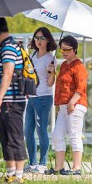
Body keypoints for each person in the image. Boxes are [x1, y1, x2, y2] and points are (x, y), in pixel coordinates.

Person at [0, 17, 28, 184]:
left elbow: (9, 74)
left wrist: (0, 97)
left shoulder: (8, 47)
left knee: (15, 136)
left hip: (11, 100)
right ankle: (11, 174)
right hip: (9, 99)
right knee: (6, 137)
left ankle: (19, 175)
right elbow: (6, 73)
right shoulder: (9, 46)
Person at [48, 35, 87, 176]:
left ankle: (77, 167)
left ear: (75, 49)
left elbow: (81, 88)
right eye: (62, 50)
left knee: (74, 135)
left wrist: (72, 102)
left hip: (75, 104)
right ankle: (59, 167)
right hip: (63, 106)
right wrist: (52, 72)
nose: (64, 52)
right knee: (57, 134)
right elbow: (55, 85)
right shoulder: (64, 65)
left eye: (67, 50)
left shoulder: (79, 66)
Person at [24, 27, 57, 174]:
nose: (38, 41)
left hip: (43, 97)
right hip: (31, 97)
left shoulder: (51, 59)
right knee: (28, 130)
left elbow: (50, 83)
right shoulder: (32, 55)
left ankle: (43, 163)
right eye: (36, 38)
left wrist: (51, 72)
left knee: (41, 130)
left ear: (48, 40)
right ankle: (32, 163)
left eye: (42, 38)